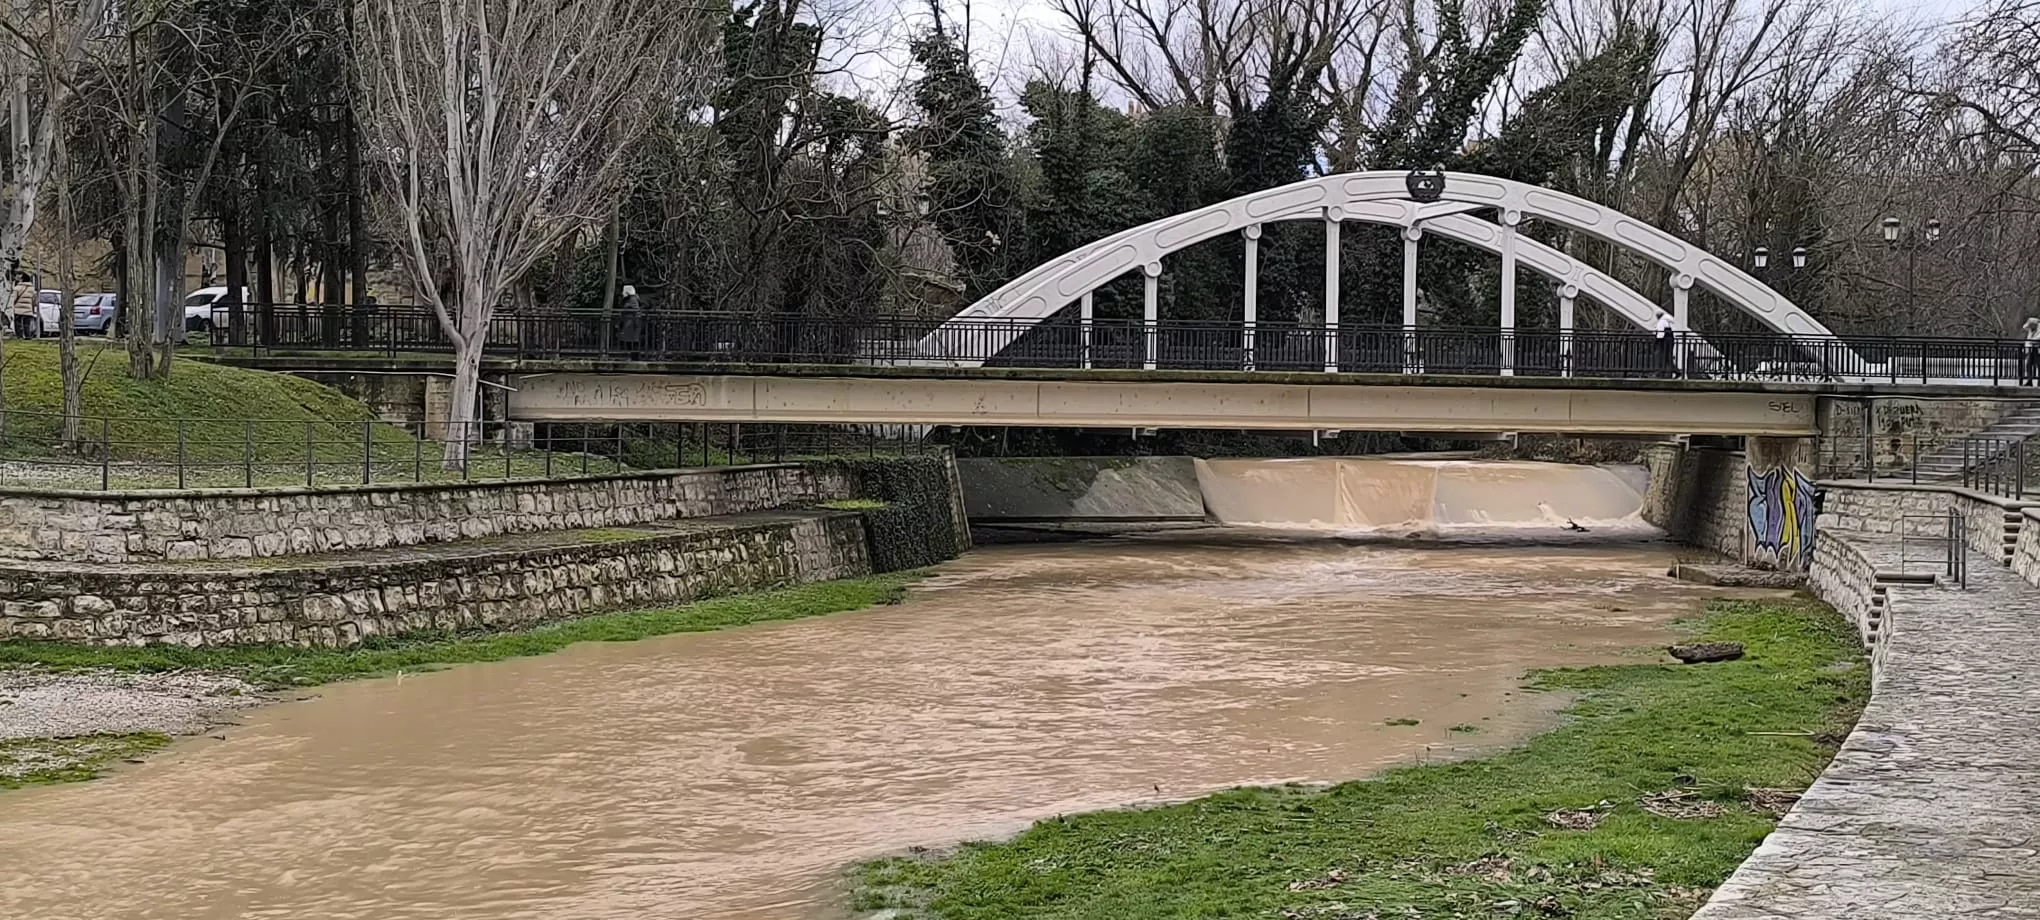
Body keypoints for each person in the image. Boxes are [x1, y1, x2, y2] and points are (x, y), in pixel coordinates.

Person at [8, 271, 37, 339]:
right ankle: (28, 336)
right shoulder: (32, 288)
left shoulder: (17, 288)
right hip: (28, 309)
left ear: (22, 279)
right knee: (27, 324)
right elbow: (34, 299)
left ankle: (19, 336)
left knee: (18, 323)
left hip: (18, 309)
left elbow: (13, 298)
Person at [1653, 307, 1676, 376]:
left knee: (1662, 356)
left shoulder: (1661, 322)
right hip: (1669, 339)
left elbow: (1660, 334)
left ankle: (1659, 372)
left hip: (1664, 341)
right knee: (1668, 357)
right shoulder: (1667, 321)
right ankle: (1675, 371)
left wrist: (1656, 342)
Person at [2021, 316, 2040, 386]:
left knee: (2039, 365)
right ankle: (2029, 380)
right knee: (2028, 364)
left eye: (2031, 326)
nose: (2030, 328)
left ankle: (2039, 382)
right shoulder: (2031, 329)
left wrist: (2032, 340)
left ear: (2035, 325)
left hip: (2037, 349)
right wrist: (2029, 323)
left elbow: (2038, 338)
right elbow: (2024, 327)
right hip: (2030, 348)